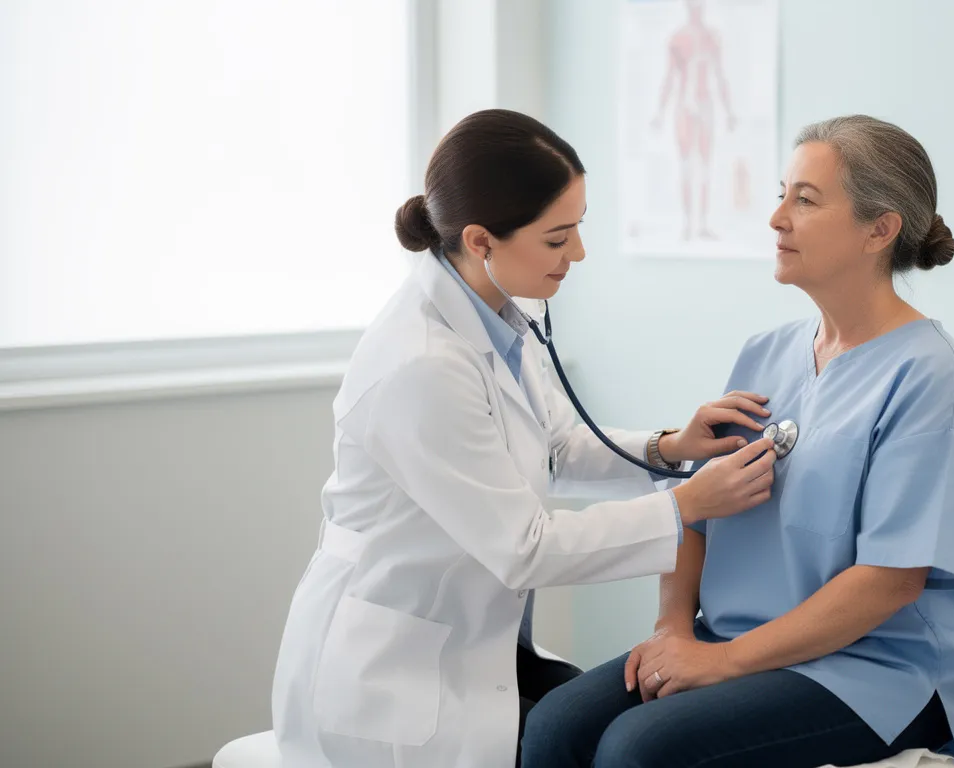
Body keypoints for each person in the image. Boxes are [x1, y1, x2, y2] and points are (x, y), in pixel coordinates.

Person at [270, 108, 778, 768]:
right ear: (481, 240)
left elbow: (554, 447)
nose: (579, 254)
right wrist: (686, 506)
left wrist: (669, 449)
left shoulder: (499, 312)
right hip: (397, 675)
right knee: (602, 742)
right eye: (558, 237)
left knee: (602, 731)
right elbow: (525, 550)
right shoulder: (422, 364)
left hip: (480, 644)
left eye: (579, 228)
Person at [521, 115, 954, 768]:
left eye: (804, 200)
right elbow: (692, 513)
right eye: (782, 194)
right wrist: (672, 630)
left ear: (879, 229)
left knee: (639, 751)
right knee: (553, 726)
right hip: (731, 639)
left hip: (877, 669)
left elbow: (890, 582)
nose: (776, 218)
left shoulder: (930, 376)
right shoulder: (766, 355)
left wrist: (721, 662)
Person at [650, 0, 736, 241]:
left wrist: (729, 111)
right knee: (687, 166)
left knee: (705, 166)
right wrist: (659, 112)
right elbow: (669, 77)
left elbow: (719, 75)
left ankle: (703, 224)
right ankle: (688, 224)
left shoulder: (711, 37)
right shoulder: (678, 39)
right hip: (685, 106)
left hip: (705, 103)